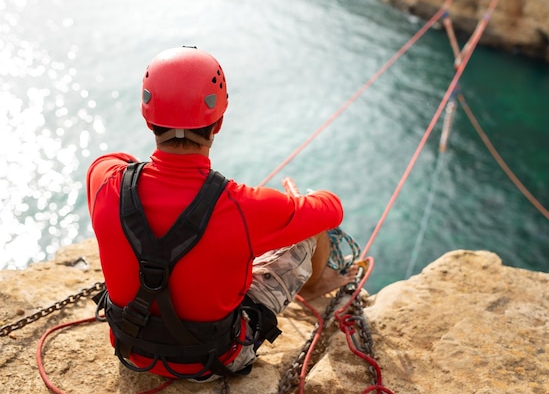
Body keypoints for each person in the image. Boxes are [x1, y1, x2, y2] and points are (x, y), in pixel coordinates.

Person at [86, 46, 358, 381]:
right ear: (219, 123)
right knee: (308, 237)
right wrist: (302, 200)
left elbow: (116, 160)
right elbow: (331, 210)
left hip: (131, 349)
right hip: (213, 361)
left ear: (146, 117)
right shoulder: (246, 206)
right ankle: (313, 289)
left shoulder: (105, 182)